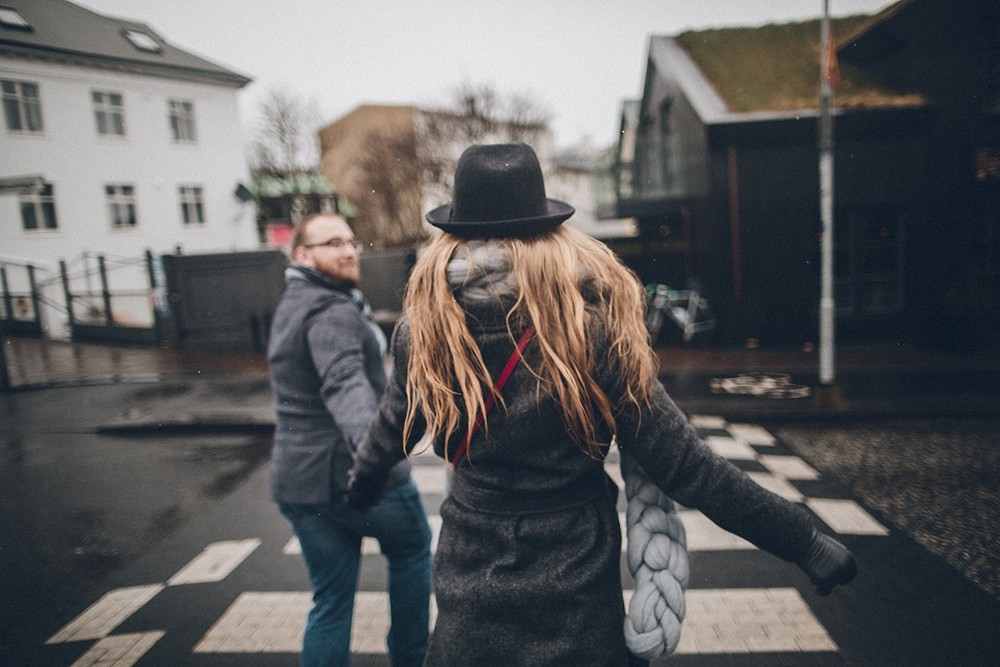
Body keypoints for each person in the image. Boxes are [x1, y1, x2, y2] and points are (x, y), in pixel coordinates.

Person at [346, 143, 856, 665]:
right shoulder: (588, 331)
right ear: (549, 232)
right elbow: (686, 466)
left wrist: (360, 488)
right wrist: (805, 543)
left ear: (454, 233)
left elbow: (395, 428)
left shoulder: (428, 328)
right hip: (575, 582)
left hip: (470, 575)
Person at [268, 212, 432, 667]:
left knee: (331, 602)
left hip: (298, 483)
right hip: (353, 473)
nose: (347, 250)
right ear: (302, 255)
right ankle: (410, 657)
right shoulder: (332, 311)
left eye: (351, 241)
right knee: (414, 550)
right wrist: (373, 457)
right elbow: (345, 384)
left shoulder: (294, 304)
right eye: (332, 243)